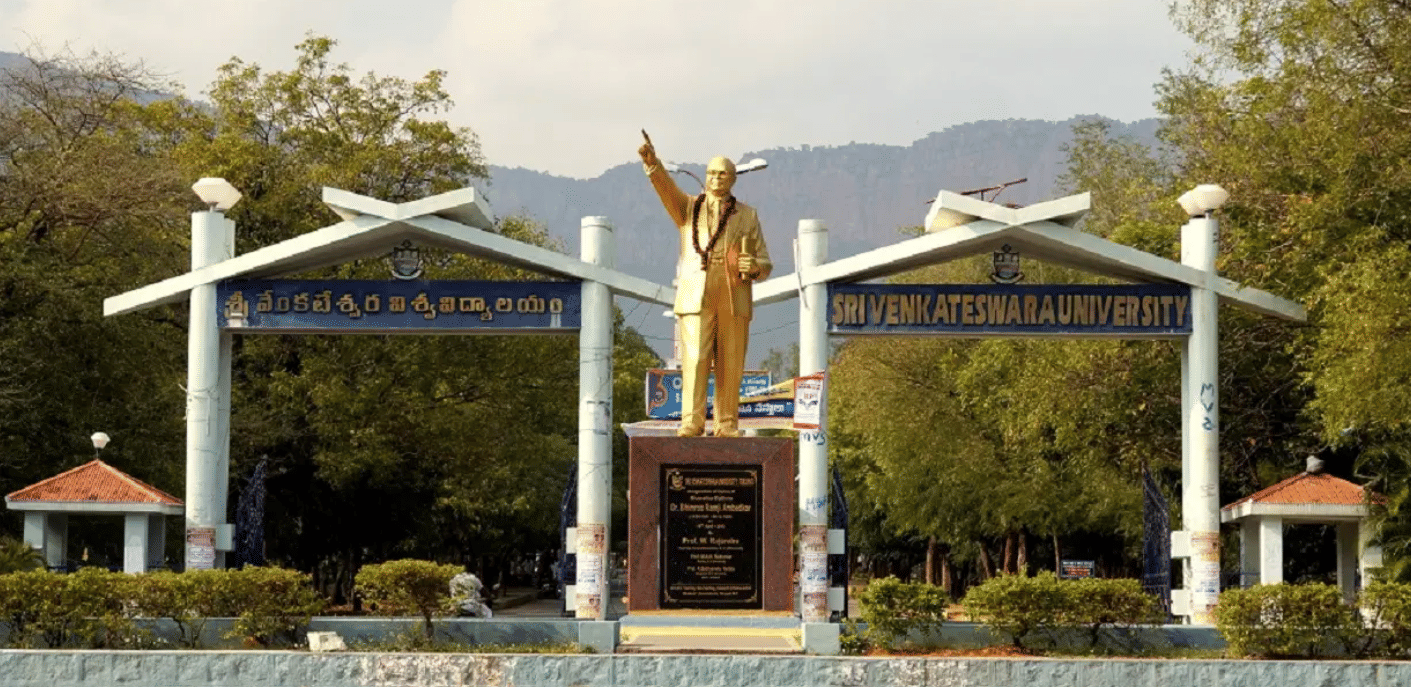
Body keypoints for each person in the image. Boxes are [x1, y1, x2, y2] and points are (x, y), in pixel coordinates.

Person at [639, 132, 772, 437]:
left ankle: (727, 424)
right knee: (695, 360)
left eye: (722, 174)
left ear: (733, 179)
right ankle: (692, 421)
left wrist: (754, 268)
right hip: (696, 294)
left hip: (732, 294)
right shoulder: (688, 208)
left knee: (730, 362)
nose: (715, 179)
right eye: (711, 173)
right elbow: (667, 191)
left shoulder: (747, 215)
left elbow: (765, 262)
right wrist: (653, 165)